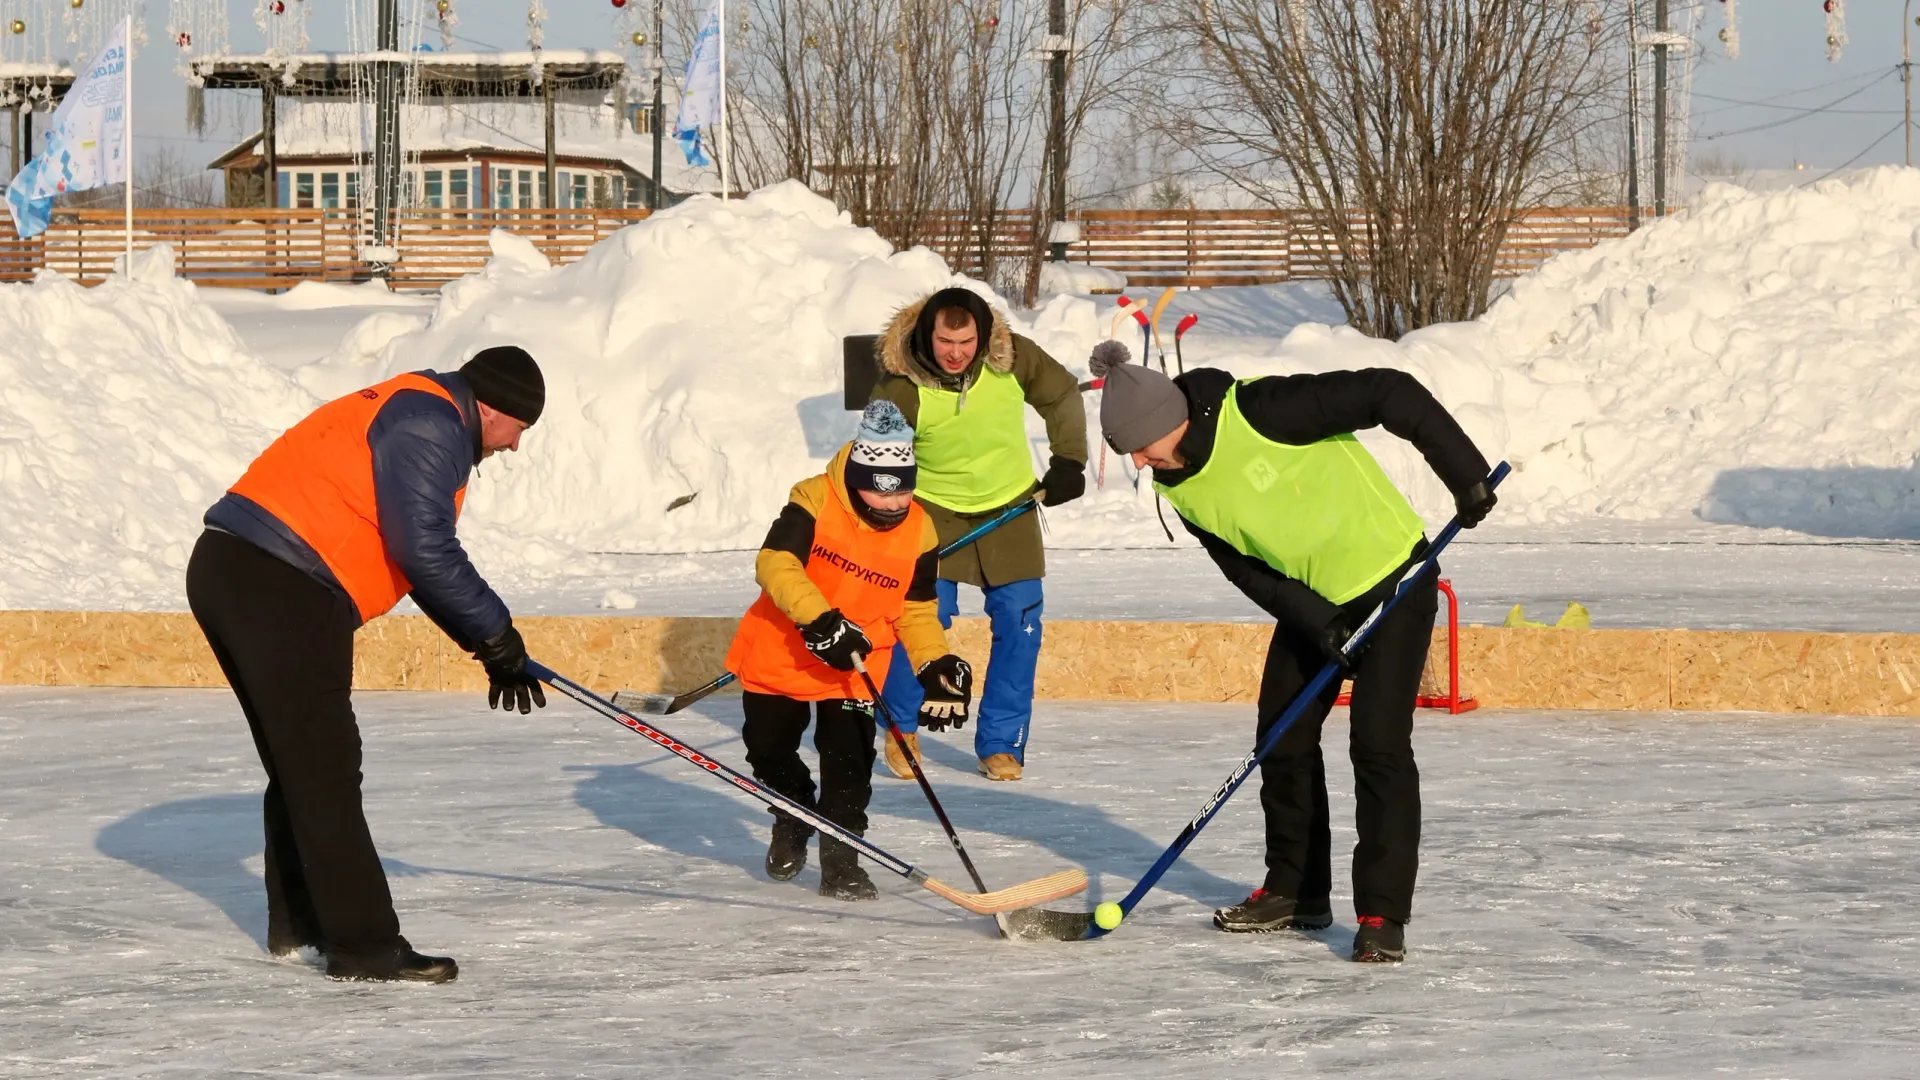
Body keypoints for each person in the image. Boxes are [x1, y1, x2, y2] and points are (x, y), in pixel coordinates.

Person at [1088, 342, 1496, 964]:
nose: (1141, 464)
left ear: (1162, 422)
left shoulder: (1261, 409)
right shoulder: (1178, 486)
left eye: (1139, 447)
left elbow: (1389, 389)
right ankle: (1297, 891)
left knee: (1378, 745)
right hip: (1318, 605)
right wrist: (1317, 621)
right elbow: (1246, 568)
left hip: (1393, 580)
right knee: (1281, 737)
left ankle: (1382, 912)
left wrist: (1462, 472)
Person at [186, 346, 550, 984]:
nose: (516, 446)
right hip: (282, 581)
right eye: (521, 428)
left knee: (302, 761)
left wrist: (487, 645)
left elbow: (414, 560)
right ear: (492, 409)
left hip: (242, 570)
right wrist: (497, 634)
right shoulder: (431, 424)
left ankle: (301, 928)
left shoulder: (419, 409)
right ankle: (365, 947)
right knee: (324, 766)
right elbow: (425, 547)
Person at [724, 401, 973, 900]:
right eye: (879, 493)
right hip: (784, 649)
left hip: (856, 663)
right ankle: (792, 811)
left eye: (903, 491)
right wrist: (821, 620)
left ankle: (842, 862)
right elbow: (774, 563)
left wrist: (934, 662)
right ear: (855, 477)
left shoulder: (921, 527)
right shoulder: (814, 498)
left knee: (849, 766)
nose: (891, 505)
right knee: (768, 751)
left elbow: (916, 607)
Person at [868, 286, 1087, 782]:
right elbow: (875, 460)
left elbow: (1062, 394)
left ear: (983, 336)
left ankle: (1001, 743)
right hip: (928, 514)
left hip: (1009, 509)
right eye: (946, 341)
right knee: (922, 619)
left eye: (966, 342)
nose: (956, 353)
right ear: (929, 334)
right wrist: (883, 515)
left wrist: (1069, 460)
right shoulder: (900, 385)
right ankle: (901, 728)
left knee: (1020, 623)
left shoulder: (1013, 358)